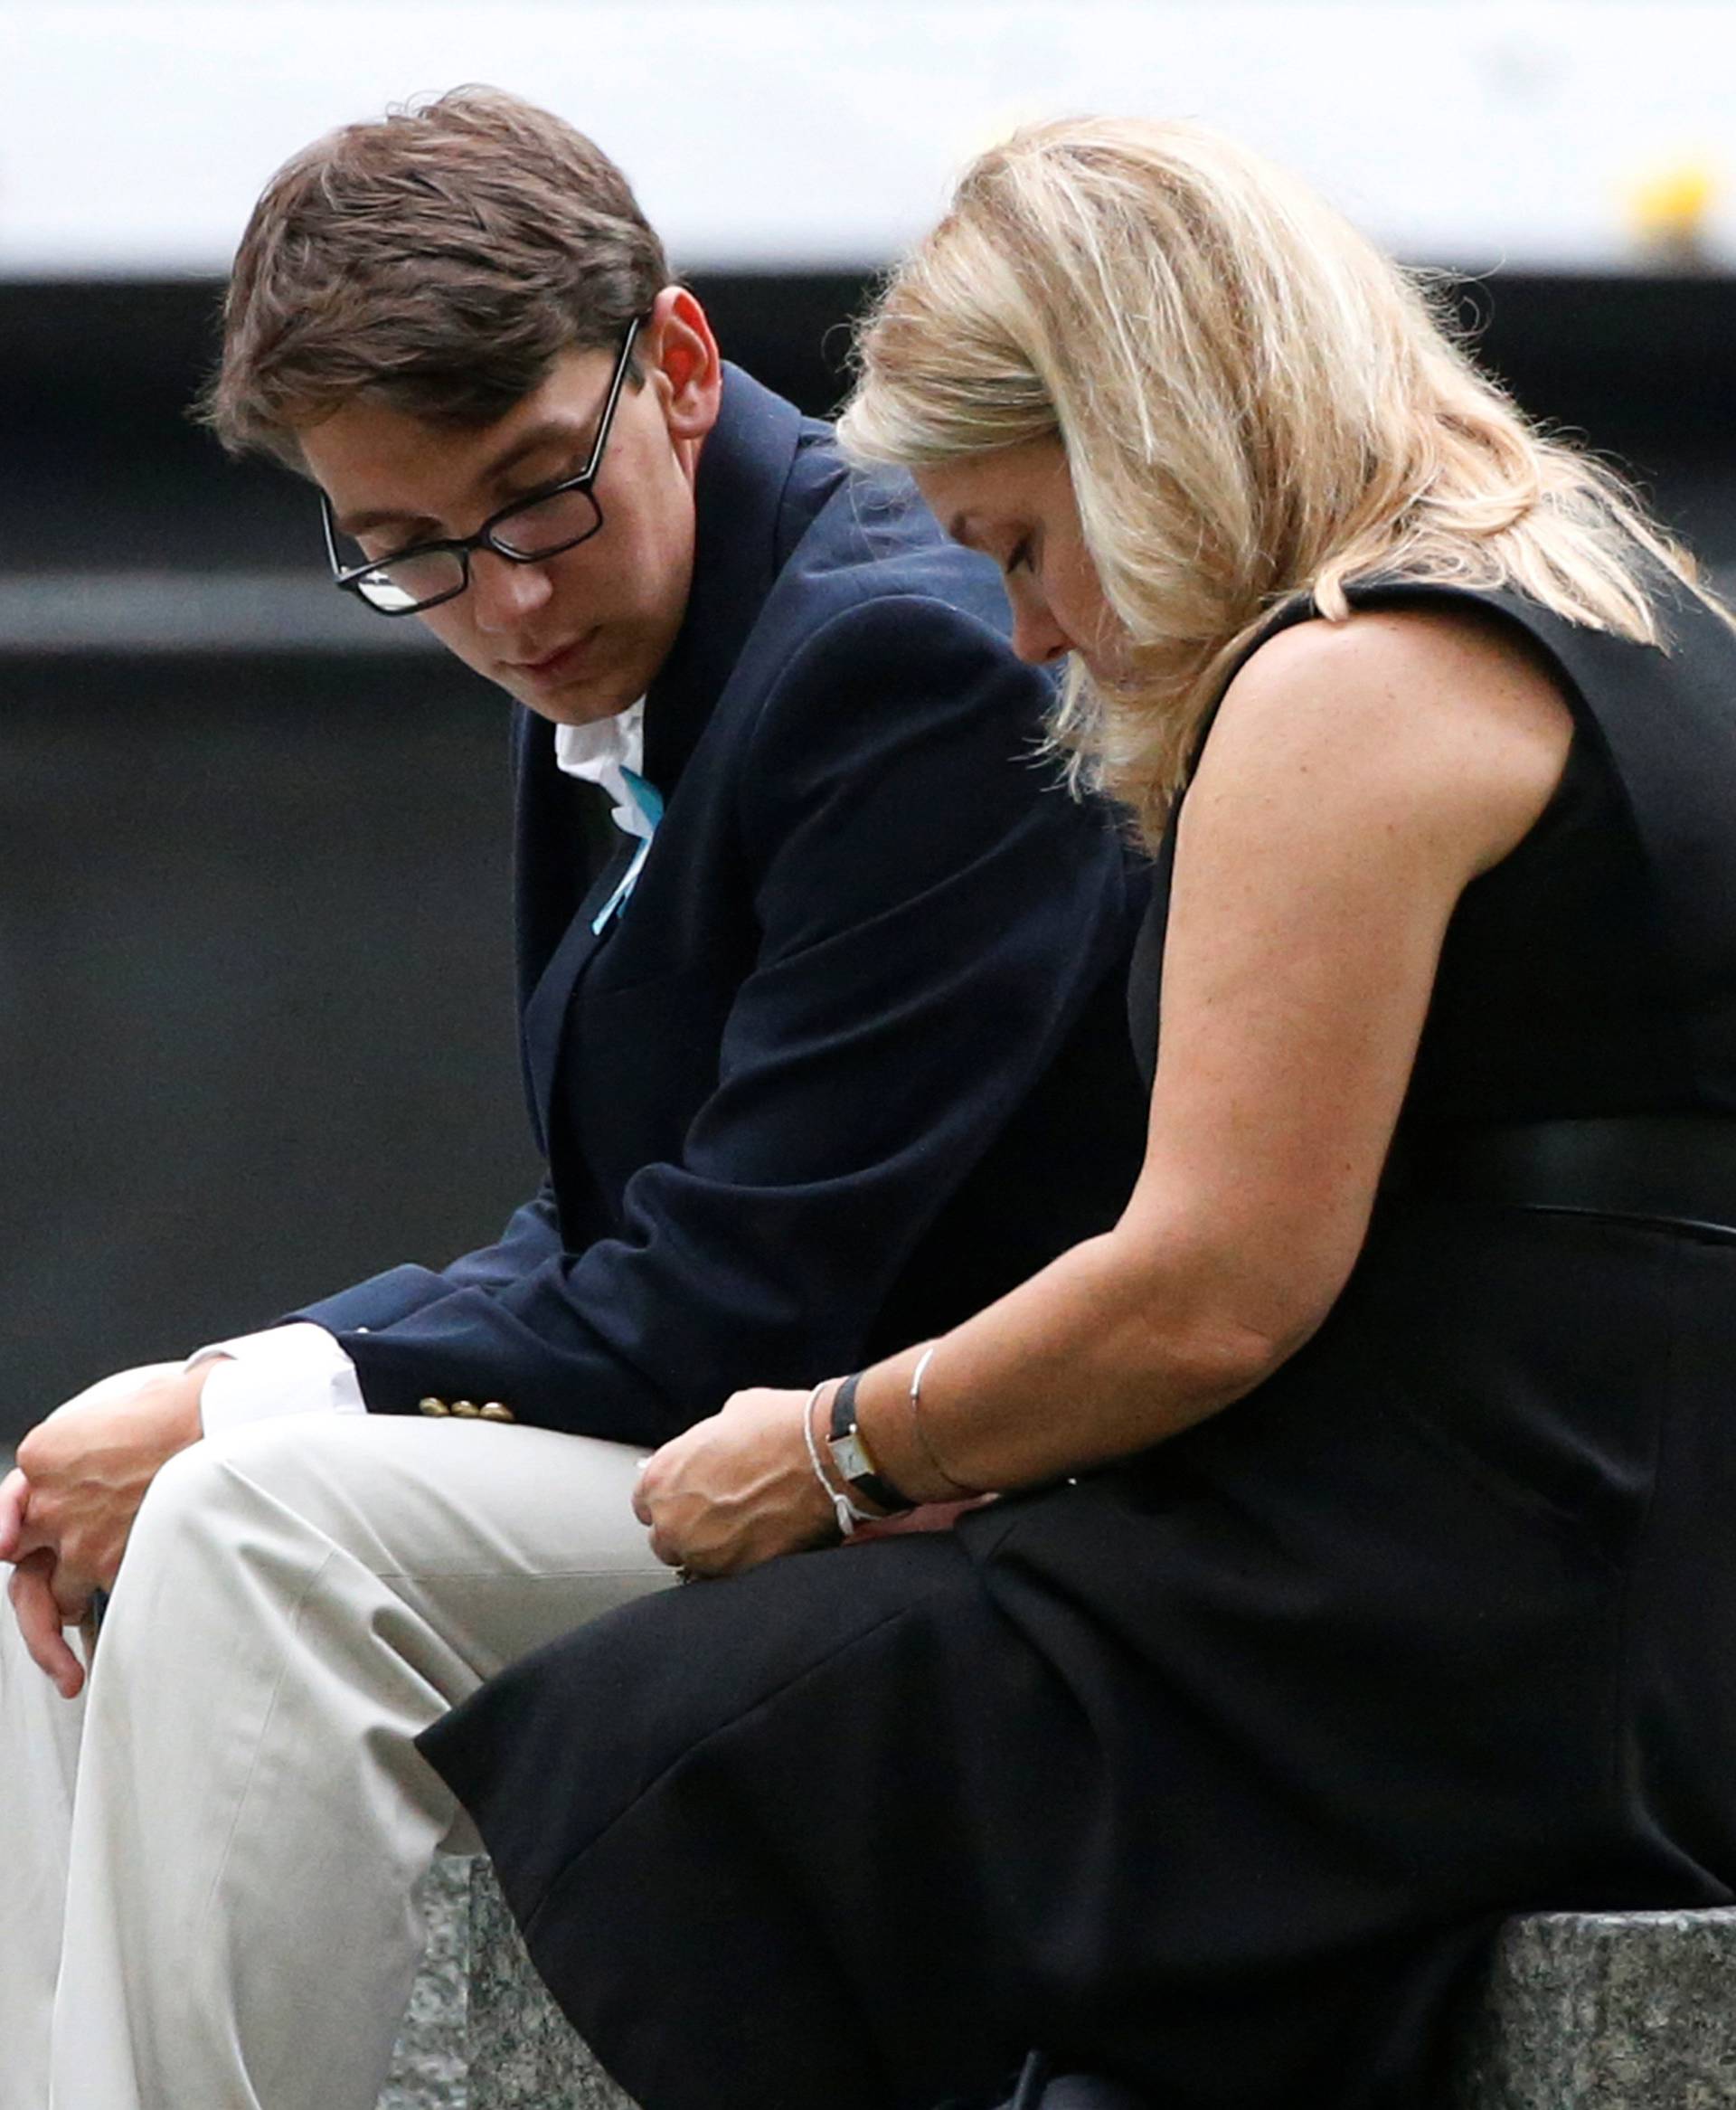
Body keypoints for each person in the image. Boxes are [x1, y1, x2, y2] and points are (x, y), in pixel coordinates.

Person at [422, 117, 1736, 2110]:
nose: (1026, 631)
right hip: (1605, 1569)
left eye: (1019, 542)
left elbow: (1211, 1290)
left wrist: (838, 1447)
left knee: (671, 1739)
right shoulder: (1621, 593)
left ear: (1146, 434)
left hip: (1483, 1616)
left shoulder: (1349, 682)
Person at [0, 91, 1147, 2110]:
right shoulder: (651, 635)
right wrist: (240, 1374)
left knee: (259, 1532)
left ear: (680, 366)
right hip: (778, 1450)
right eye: (408, 552)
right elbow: (616, 1221)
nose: (507, 602)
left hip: (1008, 1522)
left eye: (537, 493)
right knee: (59, 1559)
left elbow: (731, 1292)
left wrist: (233, 1402)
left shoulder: (898, 654)